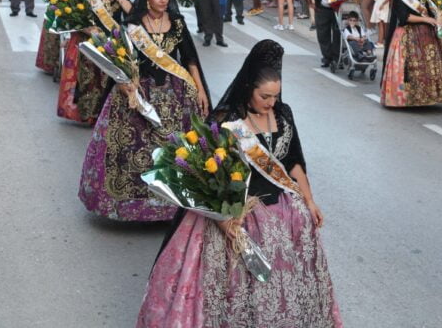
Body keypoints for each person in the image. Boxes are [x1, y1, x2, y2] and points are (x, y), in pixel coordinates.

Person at [137, 39, 342, 327]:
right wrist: (225, 223)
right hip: (237, 210)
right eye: (265, 96)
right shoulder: (227, 120)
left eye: (275, 95)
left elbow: (294, 162)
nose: (271, 102)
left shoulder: (283, 115)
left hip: (283, 208)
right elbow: (205, 175)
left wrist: (309, 200)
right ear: (248, 89)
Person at [78, 0, 210, 221]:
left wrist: (200, 90)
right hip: (139, 93)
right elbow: (123, 59)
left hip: (175, 95)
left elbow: (190, 59)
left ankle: (172, 206)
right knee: (133, 147)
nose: (163, 0)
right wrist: (127, 87)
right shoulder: (133, 24)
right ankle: (131, 205)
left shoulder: (178, 23)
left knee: (174, 149)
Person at [56, 0, 132, 124]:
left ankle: (106, 115)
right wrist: (88, 29)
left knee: (109, 79)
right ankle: (89, 114)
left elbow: (132, 14)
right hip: (91, 42)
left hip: (112, 44)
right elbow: (76, 18)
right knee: (89, 79)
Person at [381, 0, 442, 107]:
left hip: (427, 33)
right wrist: (426, 20)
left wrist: (438, 15)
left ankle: (429, 97)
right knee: (410, 66)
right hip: (408, 34)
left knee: (431, 64)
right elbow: (405, 17)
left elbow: (431, 9)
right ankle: (408, 98)